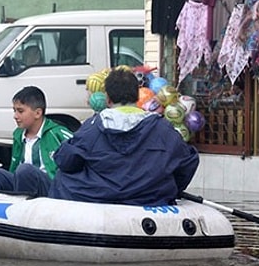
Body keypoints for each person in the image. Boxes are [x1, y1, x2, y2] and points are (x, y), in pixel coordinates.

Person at [15, 68, 200, 206]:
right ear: (137, 97)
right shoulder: (163, 129)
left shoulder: (93, 127)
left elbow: (65, 160)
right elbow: (188, 161)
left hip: (97, 199)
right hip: (148, 198)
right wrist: (171, 188)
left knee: (62, 178)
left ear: (108, 99)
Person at [0, 86, 73, 195]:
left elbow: (79, 153)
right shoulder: (18, 134)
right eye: (14, 111)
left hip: (51, 188)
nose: (15, 116)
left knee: (25, 171)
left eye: (20, 111)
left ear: (38, 113)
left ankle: (22, 209)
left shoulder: (57, 133)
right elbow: (14, 169)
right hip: (22, 183)